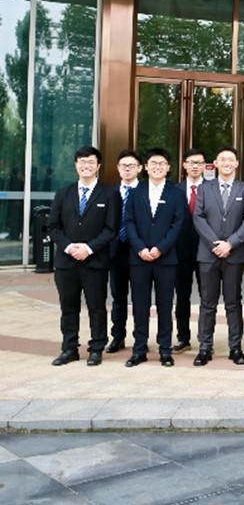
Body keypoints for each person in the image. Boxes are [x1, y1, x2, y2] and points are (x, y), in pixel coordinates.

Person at [49, 146, 119, 367]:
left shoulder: (110, 194)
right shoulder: (63, 193)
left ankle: (96, 348)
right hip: (66, 262)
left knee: (96, 307)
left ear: (98, 166)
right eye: (82, 161)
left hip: (94, 261)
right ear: (76, 165)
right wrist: (69, 247)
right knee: (68, 307)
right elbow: (53, 226)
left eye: (90, 162)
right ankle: (69, 348)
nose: (86, 165)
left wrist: (88, 248)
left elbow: (111, 229)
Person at [192, 146, 244, 366]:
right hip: (208, 254)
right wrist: (215, 243)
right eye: (223, 159)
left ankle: (235, 347)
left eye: (231, 160)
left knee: (233, 302)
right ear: (216, 163)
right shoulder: (204, 188)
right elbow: (198, 217)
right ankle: (204, 347)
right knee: (207, 303)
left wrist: (231, 243)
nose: (227, 163)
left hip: (234, 254)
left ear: (236, 163)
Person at [124, 147, 187, 367]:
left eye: (162, 163)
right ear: (145, 167)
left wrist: (160, 248)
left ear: (168, 168)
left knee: (164, 306)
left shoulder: (176, 194)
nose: (157, 167)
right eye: (153, 163)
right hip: (139, 258)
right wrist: (140, 247)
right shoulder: (136, 192)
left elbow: (177, 224)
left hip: (166, 259)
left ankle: (165, 350)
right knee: (140, 306)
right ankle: (139, 349)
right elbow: (129, 222)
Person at [106, 149, 141, 354]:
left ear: (139, 168)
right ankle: (117, 337)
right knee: (118, 296)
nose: (127, 169)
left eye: (131, 165)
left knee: (139, 298)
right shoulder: (110, 193)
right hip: (116, 250)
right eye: (123, 166)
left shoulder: (145, 191)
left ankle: (140, 338)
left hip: (138, 251)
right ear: (118, 168)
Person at [173, 148, 206, 353]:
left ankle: (205, 339)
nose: (195, 166)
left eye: (199, 163)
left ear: (205, 166)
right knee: (182, 296)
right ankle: (183, 338)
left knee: (207, 297)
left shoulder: (211, 189)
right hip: (180, 251)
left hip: (206, 250)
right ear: (184, 165)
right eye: (191, 162)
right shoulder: (174, 190)